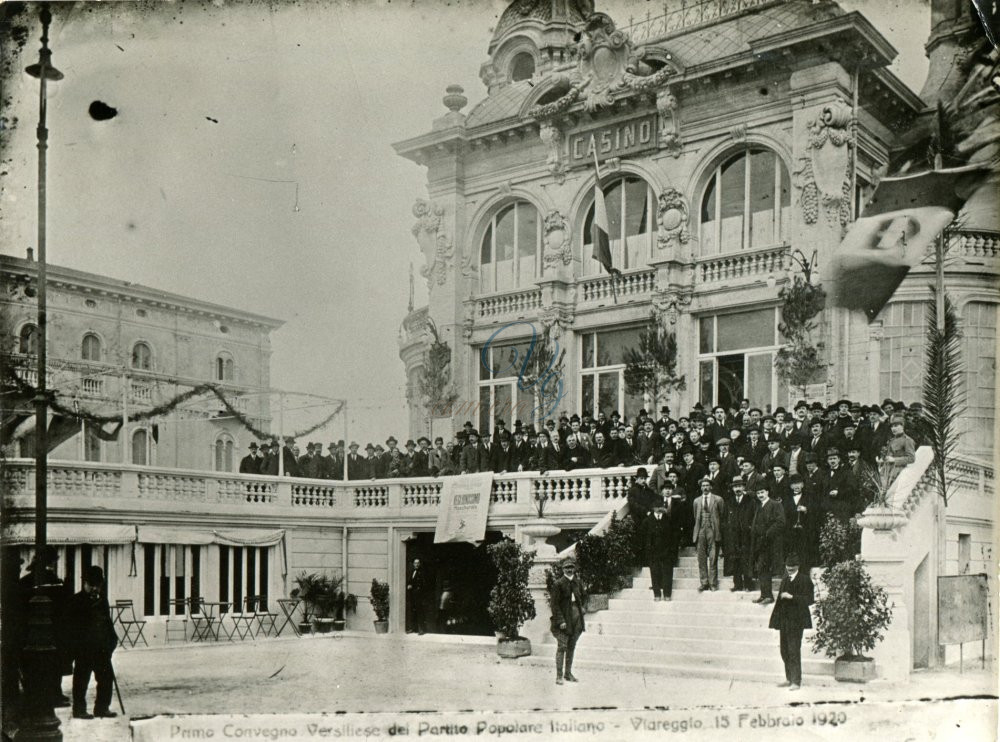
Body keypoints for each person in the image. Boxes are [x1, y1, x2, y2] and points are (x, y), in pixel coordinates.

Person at [68, 566, 118, 719]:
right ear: (85, 584)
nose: (95, 588)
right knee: (81, 681)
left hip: (102, 648)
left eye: (98, 585)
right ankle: (79, 710)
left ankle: (102, 708)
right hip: (84, 649)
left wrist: (111, 642)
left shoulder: (103, 600)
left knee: (106, 679)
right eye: (92, 585)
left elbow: (107, 622)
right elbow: (71, 627)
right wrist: (75, 648)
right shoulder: (76, 601)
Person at [769, 555, 815, 690]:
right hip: (784, 620)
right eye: (787, 568)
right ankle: (789, 678)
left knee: (794, 650)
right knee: (784, 651)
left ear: (798, 567)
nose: (789, 570)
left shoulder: (805, 580)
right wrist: (775, 620)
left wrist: (792, 597)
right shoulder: (785, 580)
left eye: (792, 569)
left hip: (797, 621)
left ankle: (796, 681)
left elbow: (810, 600)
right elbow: (779, 601)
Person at [549, 556, 585, 685]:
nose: (569, 570)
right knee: (562, 647)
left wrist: (582, 610)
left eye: (571, 567)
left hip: (577, 619)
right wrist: (561, 621)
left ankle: (568, 673)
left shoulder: (578, 582)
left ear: (574, 568)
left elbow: (584, 597)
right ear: (562, 569)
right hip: (564, 619)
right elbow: (554, 605)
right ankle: (559, 676)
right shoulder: (558, 584)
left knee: (572, 646)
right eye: (566, 567)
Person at [751, 486, 785, 606]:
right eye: (758, 492)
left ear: (767, 492)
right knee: (761, 568)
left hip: (771, 543)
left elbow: (781, 522)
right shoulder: (759, 506)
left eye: (762, 492)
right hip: (761, 544)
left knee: (766, 569)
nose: (760, 495)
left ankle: (769, 596)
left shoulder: (775, 504)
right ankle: (764, 595)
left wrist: (767, 534)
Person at [724, 476, 757, 592]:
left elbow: (754, 517)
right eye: (735, 487)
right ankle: (737, 584)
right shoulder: (729, 502)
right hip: (733, 536)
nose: (737, 489)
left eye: (739, 486)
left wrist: (750, 528)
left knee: (746, 559)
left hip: (746, 536)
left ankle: (748, 584)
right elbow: (725, 518)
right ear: (733, 489)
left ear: (744, 487)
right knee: (735, 560)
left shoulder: (750, 501)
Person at [692, 477, 725, 591]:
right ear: (700, 487)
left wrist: (717, 529)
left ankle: (713, 583)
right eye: (703, 485)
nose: (705, 487)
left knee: (713, 557)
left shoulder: (718, 499)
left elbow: (721, 515)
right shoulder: (696, 501)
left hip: (713, 530)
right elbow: (695, 515)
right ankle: (704, 582)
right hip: (701, 530)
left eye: (707, 485)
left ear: (711, 487)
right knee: (701, 558)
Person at [406, 558, 431, 634]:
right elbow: (410, 581)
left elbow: (424, 584)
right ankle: (412, 628)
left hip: (419, 596)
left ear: (419, 564)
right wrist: (409, 585)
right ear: (413, 564)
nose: (416, 564)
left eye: (418, 563)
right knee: (412, 612)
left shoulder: (422, 572)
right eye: (415, 563)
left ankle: (421, 629)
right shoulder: (411, 572)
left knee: (420, 612)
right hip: (412, 595)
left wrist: (415, 588)